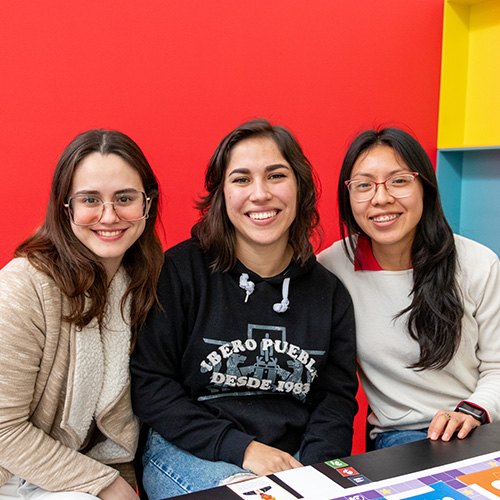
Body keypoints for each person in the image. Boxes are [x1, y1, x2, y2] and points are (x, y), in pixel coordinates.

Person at [130, 118, 358, 499]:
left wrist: (316, 474)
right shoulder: (179, 274)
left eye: (276, 176)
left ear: (300, 188)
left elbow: (334, 401)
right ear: (220, 194)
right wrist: (245, 450)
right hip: (192, 449)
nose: (260, 194)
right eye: (241, 179)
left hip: (292, 455)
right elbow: (151, 385)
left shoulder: (328, 292)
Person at [0, 130, 164, 499]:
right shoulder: (22, 287)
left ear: (147, 204)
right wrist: (107, 486)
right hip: (13, 475)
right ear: (65, 206)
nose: (109, 216)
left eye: (125, 198)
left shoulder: (144, 284)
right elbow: (1, 431)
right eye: (90, 199)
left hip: (83, 476)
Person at [318, 127, 500, 450]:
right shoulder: (333, 268)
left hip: (481, 423)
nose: (381, 198)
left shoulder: (477, 263)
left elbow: (497, 367)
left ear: (425, 188)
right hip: (403, 436)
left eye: (399, 180)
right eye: (363, 185)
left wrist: (472, 411)